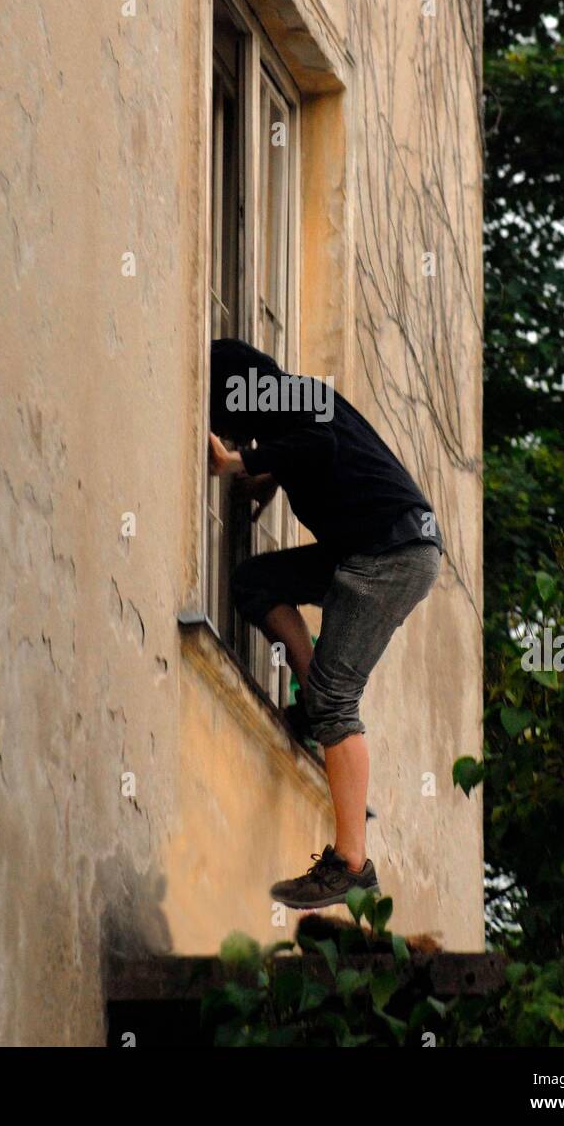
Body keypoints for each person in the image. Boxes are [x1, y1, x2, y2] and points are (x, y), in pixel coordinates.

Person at [208, 338, 444, 909]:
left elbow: (320, 442)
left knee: (340, 699)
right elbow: (319, 449)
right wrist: (269, 476)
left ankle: (351, 866)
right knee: (254, 583)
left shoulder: (296, 398)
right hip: (366, 547)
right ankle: (314, 704)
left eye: (231, 422)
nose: (238, 437)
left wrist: (243, 464)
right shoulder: (297, 406)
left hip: (390, 552)